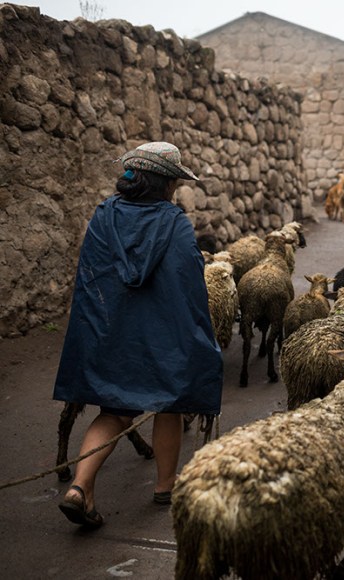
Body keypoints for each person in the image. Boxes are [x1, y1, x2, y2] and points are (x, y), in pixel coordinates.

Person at [53, 142, 223, 528]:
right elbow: (188, 281)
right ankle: (165, 485)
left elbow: (91, 277)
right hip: (161, 333)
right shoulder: (175, 221)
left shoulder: (104, 215)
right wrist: (200, 335)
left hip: (110, 330)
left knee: (114, 409)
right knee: (170, 402)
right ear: (165, 184)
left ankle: (79, 487)